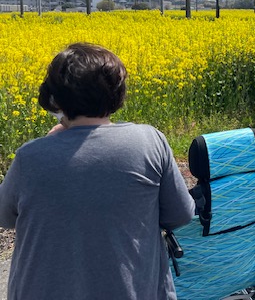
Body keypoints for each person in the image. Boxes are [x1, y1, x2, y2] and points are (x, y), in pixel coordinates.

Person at [0, 43, 195, 300]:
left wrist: (49, 144)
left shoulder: (30, 157)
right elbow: (181, 214)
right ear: (118, 93)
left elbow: (5, 216)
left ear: (54, 99)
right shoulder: (150, 142)